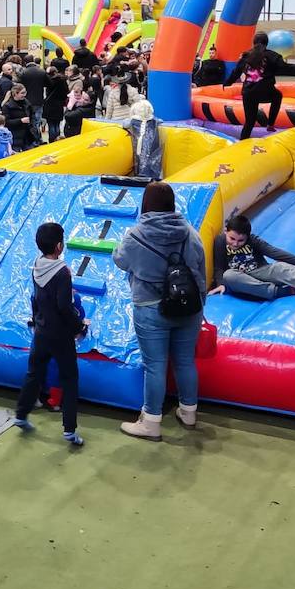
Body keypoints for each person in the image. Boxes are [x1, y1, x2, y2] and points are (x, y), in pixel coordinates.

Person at [112, 181, 207, 442]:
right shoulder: (189, 232)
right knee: (185, 361)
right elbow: (200, 266)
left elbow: (120, 260)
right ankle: (188, 412)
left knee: (155, 366)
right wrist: (201, 301)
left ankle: (151, 422)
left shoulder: (135, 235)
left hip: (150, 307)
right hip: (188, 306)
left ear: (146, 204)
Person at [12, 222, 88, 447]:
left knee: (34, 373)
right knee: (70, 379)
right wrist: (79, 326)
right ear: (59, 246)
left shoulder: (37, 265)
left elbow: (37, 299)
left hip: (42, 330)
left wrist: (37, 321)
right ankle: (69, 429)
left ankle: (21, 414)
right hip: (61, 335)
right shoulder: (62, 271)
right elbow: (64, 306)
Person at [211, 215, 295, 300]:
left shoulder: (253, 240)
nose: (235, 244)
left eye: (241, 240)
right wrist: (221, 284)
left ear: (247, 236)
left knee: (281, 267)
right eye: (232, 239)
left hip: (260, 272)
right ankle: (277, 292)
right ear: (226, 231)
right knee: (229, 275)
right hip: (241, 279)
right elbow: (219, 267)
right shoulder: (220, 241)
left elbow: (274, 252)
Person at [225, 32, 289, 140]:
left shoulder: (247, 55)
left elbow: (236, 72)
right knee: (277, 95)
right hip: (264, 92)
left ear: (254, 43)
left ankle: (242, 142)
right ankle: (270, 123)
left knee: (249, 121)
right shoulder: (271, 56)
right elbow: (286, 69)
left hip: (250, 93)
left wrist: (227, 83)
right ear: (266, 43)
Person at [1, 83, 35, 152]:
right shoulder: (7, 106)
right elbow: (6, 122)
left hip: (27, 135)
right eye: (22, 93)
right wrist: (20, 121)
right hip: (14, 136)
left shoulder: (26, 103)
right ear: (15, 94)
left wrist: (32, 125)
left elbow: (32, 114)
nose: (24, 95)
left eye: (25, 92)